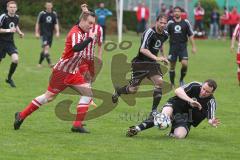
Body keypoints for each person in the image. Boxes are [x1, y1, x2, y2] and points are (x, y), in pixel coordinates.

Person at [14, 11, 97, 133]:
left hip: (73, 72)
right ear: (83, 20)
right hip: (61, 73)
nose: (91, 26)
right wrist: (91, 38)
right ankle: (21, 115)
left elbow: (81, 23)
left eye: (93, 24)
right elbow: (76, 48)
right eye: (90, 23)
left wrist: (84, 10)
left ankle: (77, 125)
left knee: (88, 93)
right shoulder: (75, 33)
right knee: (49, 97)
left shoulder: (81, 30)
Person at [112, 14, 169, 113]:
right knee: (133, 90)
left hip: (152, 64)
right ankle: (118, 91)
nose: (163, 25)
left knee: (159, 82)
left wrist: (163, 56)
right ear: (156, 22)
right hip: (140, 63)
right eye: (161, 22)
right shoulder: (149, 32)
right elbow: (143, 49)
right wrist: (156, 57)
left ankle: (154, 111)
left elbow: (160, 43)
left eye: (165, 23)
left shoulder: (165, 34)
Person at [126, 79, 220, 139]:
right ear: (202, 85)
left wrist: (211, 121)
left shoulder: (211, 102)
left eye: (207, 92)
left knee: (179, 136)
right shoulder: (195, 85)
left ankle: (172, 131)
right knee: (163, 117)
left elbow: (211, 117)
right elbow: (177, 90)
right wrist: (190, 100)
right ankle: (136, 129)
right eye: (203, 89)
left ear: (212, 93)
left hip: (186, 118)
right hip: (175, 105)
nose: (203, 92)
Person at [166, 6, 196, 87]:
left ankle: (181, 79)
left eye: (178, 11)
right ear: (173, 13)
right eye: (175, 11)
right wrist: (161, 45)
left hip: (183, 47)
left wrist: (193, 47)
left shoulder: (185, 22)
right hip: (173, 47)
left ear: (181, 13)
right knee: (172, 66)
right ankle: (172, 83)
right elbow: (165, 35)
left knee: (184, 64)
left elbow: (190, 35)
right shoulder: (170, 23)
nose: (176, 13)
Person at [0, 1, 24, 88]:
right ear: (7, 8)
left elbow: (15, 26)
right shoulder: (3, 17)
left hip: (10, 43)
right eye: (11, 7)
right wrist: (8, 30)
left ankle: (9, 78)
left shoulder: (17, 17)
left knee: (15, 60)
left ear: (16, 9)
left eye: (14, 7)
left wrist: (20, 32)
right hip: (1, 42)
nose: (12, 9)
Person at [35, 1, 60, 68]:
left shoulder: (54, 14)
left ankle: (39, 63)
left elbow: (56, 24)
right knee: (46, 48)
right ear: (45, 6)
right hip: (43, 34)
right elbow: (37, 23)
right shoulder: (42, 13)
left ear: (52, 6)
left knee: (44, 50)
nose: (49, 6)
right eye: (47, 5)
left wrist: (57, 32)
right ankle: (50, 63)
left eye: (50, 5)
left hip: (50, 35)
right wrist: (36, 32)